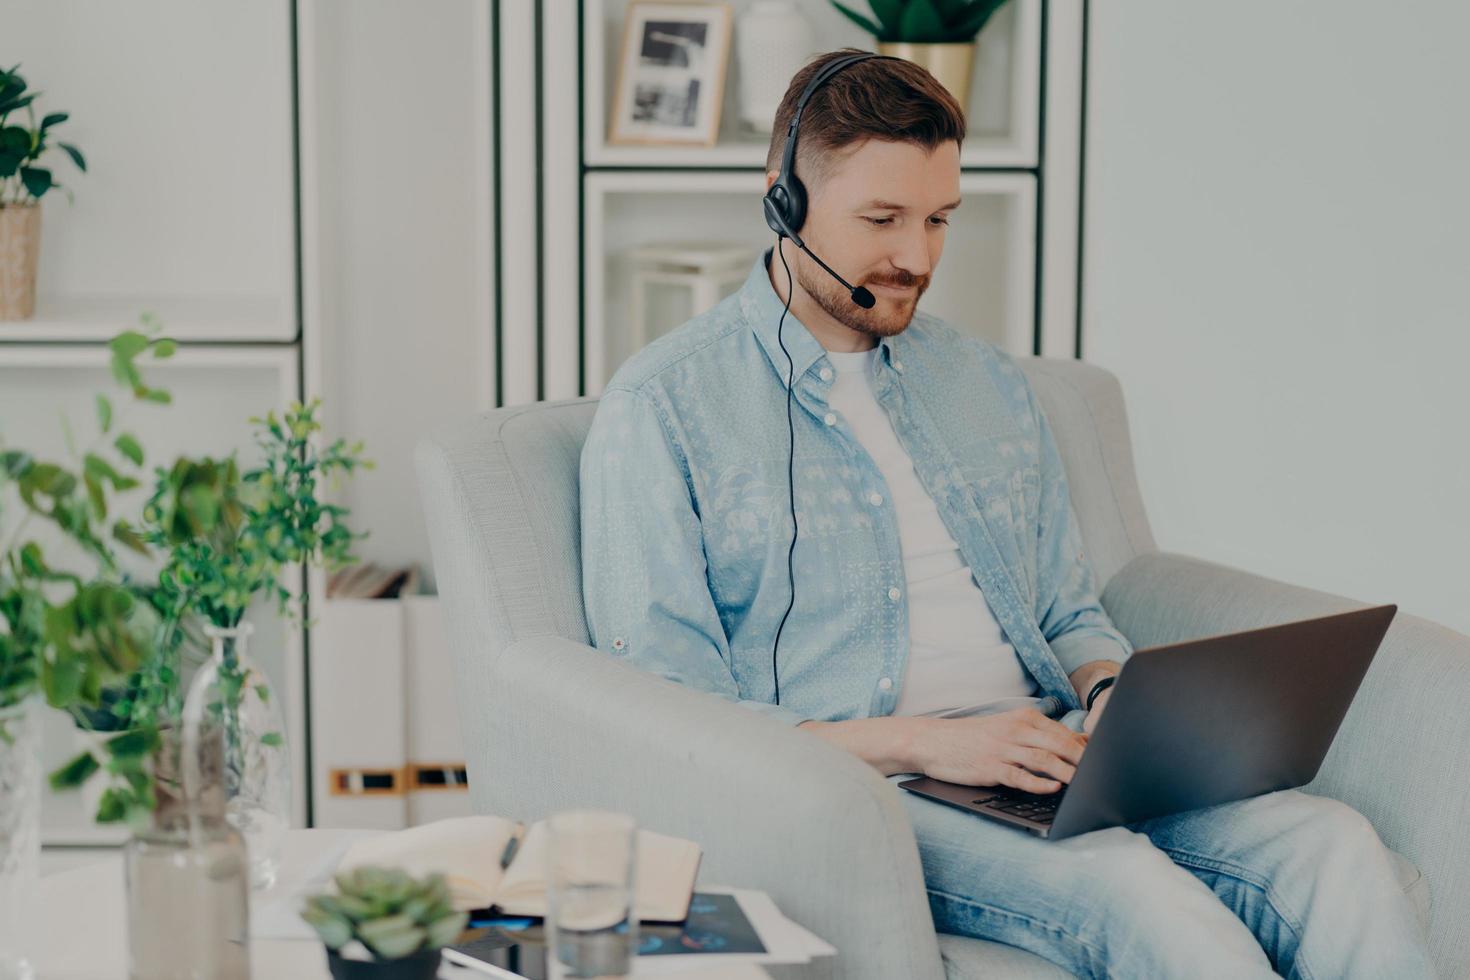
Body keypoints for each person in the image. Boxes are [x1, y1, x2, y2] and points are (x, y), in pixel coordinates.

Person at [578, 48, 1433, 978]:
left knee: (1334, 847)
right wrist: (934, 742)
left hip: (1052, 755)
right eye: (882, 219)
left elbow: (1066, 610)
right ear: (783, 197)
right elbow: (673, 720)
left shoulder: (985, 383)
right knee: (1136, 897)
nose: (917, 256)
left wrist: (1110, 697)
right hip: (874, 790)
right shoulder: (666, 407)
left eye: (940, 218)